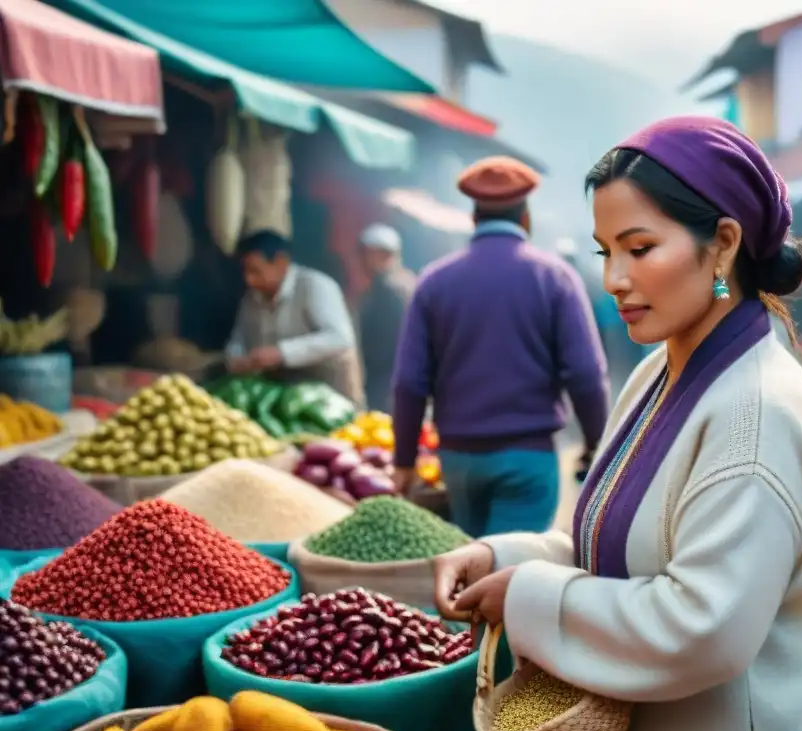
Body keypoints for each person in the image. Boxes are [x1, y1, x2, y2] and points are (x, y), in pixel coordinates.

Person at [432, 117, 802, 731]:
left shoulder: (755, 415)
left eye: (640, 248)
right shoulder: (662, 369)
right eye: (606, 252)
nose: (614, 279)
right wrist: (503, 557)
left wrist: (529, 595)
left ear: (723, 245)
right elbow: (623, 549)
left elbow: (703, 628)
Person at [390, 156, 609, 537]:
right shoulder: (555, 277)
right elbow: (585, 374)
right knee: (511, 574)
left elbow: (409, 382)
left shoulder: (433, 281)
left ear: (473, 219)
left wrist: (405, 460)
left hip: (458, 461)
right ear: (526, 218)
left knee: (472, 567)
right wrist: (598, 444)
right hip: (528, 458)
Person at [225, 229, 365, 405]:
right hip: (284, 399)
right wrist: (236, 359)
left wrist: (281, 353)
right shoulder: (251, 299)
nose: (249, 280)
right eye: (245, 272)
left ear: (281, 262)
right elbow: (239, 339)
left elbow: (340, 339)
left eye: (255, 271)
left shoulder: (314, 286)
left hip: (331, 399)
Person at [357, 224, 416, 412]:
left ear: (381, 254)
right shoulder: (406, 281)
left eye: (366, 254)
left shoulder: (391, 287)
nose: (362, 261)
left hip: (389, 379)